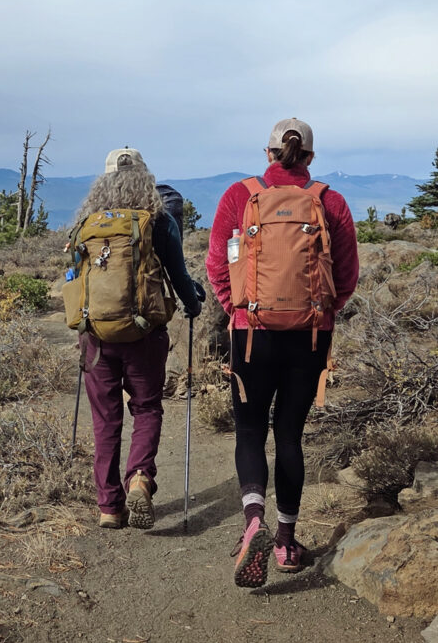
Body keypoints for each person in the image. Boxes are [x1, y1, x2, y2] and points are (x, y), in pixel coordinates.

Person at [206, 119, 359, 585]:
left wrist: (237, 310)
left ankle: (253, 517)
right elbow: (347, 273)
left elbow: (217, 260)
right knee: (290, 434)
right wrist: (321, 313)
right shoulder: (330, 200)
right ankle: (286, 541)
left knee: (250, 431)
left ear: (268, 152)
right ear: (309, 157)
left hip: (252, 332)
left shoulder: (239, 195)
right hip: (310, 335)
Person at [75, 147, 204, 529]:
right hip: (144, 333)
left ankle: (109, 507)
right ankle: (140, 479)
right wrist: (194, 304)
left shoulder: (88, 222)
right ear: (145, 179)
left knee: (105, 419)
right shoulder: (159, 221)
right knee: (146, 407)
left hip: (96, 336)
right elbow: (179, 277)